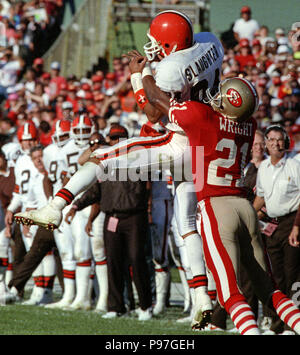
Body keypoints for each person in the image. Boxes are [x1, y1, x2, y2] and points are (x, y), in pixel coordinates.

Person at [14, 10, 224, 329]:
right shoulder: (209, 42)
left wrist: (138, 77)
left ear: (169, 44)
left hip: (181, 142)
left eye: (157, 42)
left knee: (103, 157)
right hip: (208, 145)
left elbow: (153, 114)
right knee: (188, 226)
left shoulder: (170, 67)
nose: (152, 46)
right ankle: (202, 298)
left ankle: (55, 207)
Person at [137, 67, 300, 335]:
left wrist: (143, 72)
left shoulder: (203, 117)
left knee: (228, 294)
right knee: (270, 289)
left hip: (216, 206)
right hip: (244, 207)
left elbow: (156, 97)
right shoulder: (250, 125)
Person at [253, 124, 300, 334]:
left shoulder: (295, 165)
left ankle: (293, 323)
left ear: (286, 142)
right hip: (272, 224)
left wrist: (297, 227)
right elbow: (260, 198)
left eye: (279, 139)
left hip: (292, 222)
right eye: (271, 139)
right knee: (275, 277)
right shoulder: (262, 167)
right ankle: (276, 324)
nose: (275, 143)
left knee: (294, 276)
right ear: (265, 144)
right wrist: (246, 216)